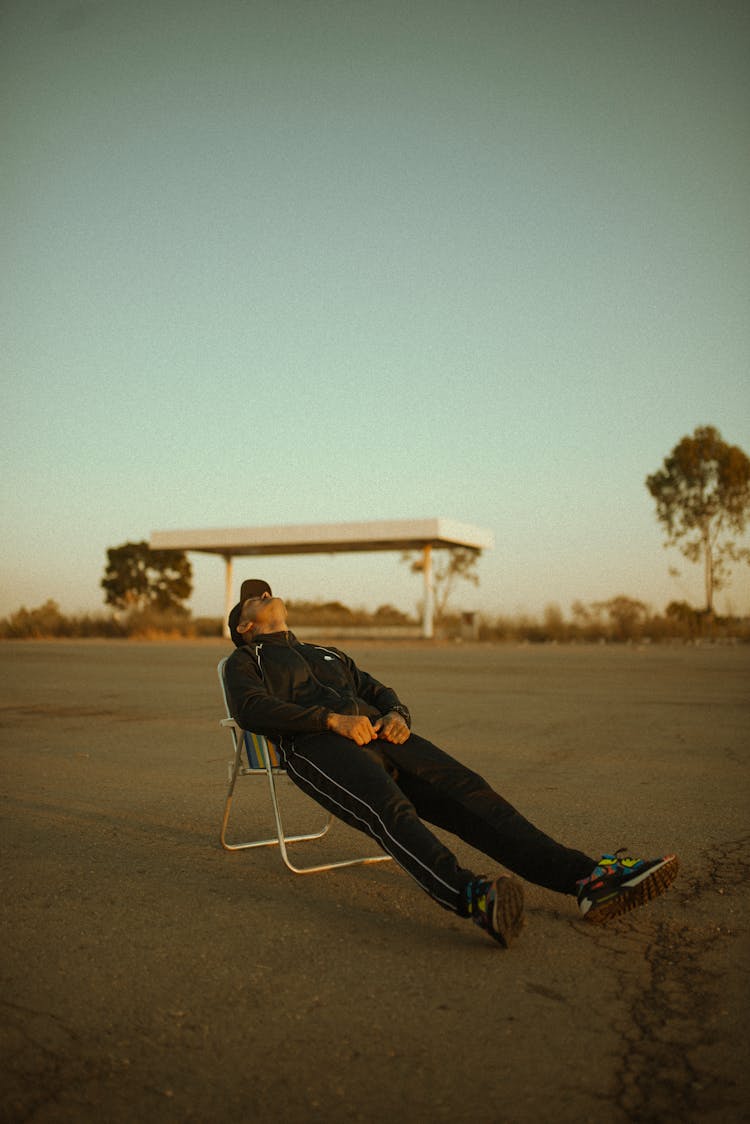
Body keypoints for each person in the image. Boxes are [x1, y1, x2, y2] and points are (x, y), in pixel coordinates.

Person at [223, 579, 679, 948]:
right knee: (390, 809)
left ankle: (586, 880)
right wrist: (330, 720)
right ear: (244, 625)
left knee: (470, 793)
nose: (264, 593)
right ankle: (473, 897)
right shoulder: (244, 660)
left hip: (382, 736)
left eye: (266, 590)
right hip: (317, 746)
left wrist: (398, 715)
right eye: (253, 597)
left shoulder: (327, 652)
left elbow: (378, 691)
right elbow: (251, 710)